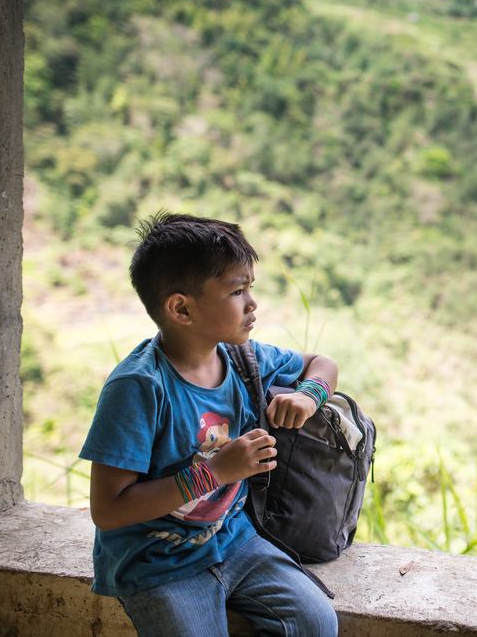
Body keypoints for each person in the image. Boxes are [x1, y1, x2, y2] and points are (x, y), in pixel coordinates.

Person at [80, 212, 339, 636]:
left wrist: (308, 395)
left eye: (250, 288)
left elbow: (321, 363)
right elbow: (108, 509)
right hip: (157, 562)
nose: (252, 304)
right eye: (237, 291)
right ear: (181, 308)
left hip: (235, 540)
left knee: (314, 622)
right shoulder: (139, 388)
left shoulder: (242, 359)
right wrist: (216, 472)